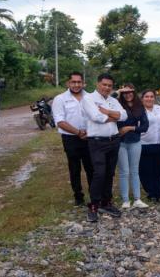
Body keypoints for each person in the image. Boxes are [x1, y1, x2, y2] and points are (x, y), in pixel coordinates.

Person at [81, 73, 128, 222]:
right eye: (104, 84)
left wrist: (107, 112)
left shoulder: (113, 100)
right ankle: (94, 205)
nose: (107, 88)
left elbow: (125, 116)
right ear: (97, 84)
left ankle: (106, 202)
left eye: (109, 86)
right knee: (99, 173)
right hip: (97, 142)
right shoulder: (88, 99)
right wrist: (115, 116)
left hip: (113, 140)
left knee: (109, 173)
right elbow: (97, 118)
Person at [52, 72, 93, 206]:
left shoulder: (90, 97)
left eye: (79, 82)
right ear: (68, 83)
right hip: (71, 138)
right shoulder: (60, 99)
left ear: (83, 83)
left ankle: (94, 195)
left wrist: (90, 132)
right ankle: (78, 196)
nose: (76, 85)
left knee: (91, 167)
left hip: (89, 137)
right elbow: (60, 121)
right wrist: (78, 132)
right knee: (74, 168)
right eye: (73, 82)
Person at [116, 84, 150, 209]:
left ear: (134, 93)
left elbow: (145, 127)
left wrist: (130, 128)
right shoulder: (117, 105)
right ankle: (125, 200)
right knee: (124, 171)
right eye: (125, 93)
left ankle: (137, 199)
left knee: (134, 171)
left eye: (130, 92)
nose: (128, 94)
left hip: (135, 142)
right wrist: (118, 91)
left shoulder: (139, 107)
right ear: (122, 94)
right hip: (121, 142)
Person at [138, 90, 160, 203]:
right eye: (146, 96)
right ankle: (150, 193)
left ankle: (158, 194)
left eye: (151, 96)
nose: (149, 99)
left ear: (154, 98)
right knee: (145, 171)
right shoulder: (138, 110)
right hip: (144, 145)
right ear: (142, 98)